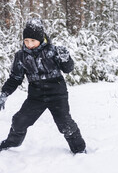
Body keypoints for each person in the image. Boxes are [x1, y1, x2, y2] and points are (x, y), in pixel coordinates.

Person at [0, 19, 86, 154]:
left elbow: (68, 69)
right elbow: (15, 78)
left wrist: (66, 59)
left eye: (33, 41)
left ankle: (79, 149)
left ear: (41, 39)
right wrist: (4, 93)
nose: (29, 44)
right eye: (26, 41)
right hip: (36, 96)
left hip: (57, 94)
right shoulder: (21, 56)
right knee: (19, 120)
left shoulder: (53, 51)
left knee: (65, 124)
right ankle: (12, 143)